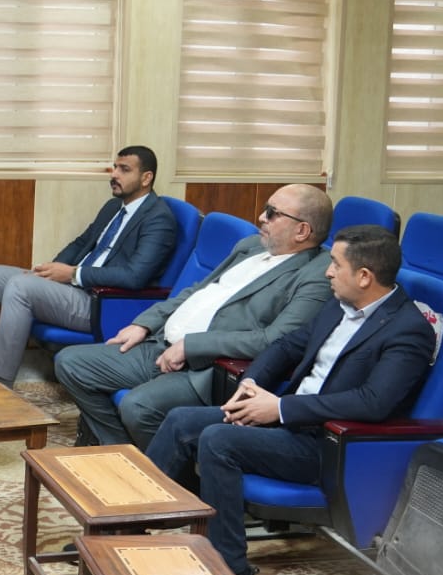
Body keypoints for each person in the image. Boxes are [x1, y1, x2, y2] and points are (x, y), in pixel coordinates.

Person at [146, 225, 436, 575]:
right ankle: (129, 524)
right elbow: (287, 346)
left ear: (364, 276)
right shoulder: (340, 305)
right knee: (180, 421)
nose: (328, 272)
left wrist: (281, 408)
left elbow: (373, 402)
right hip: (288, 419)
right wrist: (252, 383)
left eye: (336, 264)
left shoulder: (408, 330)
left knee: (219, 440)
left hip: (327, 444)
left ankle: (231, 574)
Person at [56, 185, 333, 449]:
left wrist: (191, 346)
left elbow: (274, 339)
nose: (261, 217)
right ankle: (119, 449)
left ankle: (168, 474)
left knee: (137, 407)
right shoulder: (251, 246)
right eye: (265, 208)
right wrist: (144, 324)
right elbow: (196, 290)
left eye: (272, 213)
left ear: (302, 231)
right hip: (161, 345)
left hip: (206, 368)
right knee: (71, 363)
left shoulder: (316, 275)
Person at [0, 146, 178, 386]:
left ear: (146, 178)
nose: (114, 174)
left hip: (101, 302)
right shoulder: (114, 207)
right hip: (75, 288)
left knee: (20, 287)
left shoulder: (159, 218)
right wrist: (50, 270)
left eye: (124, 169)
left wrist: (73, 274)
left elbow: (135, 276)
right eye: (114, 167)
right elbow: (82, 242)